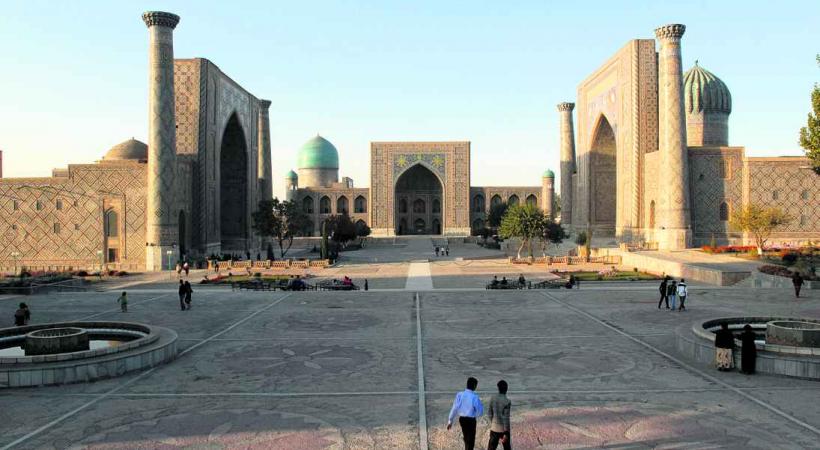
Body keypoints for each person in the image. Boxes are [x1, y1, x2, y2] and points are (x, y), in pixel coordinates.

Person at [447, 377, 483, 450]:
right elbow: (480, 411)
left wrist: (450, 420)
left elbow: (454, 408)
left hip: (462, 420)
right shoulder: (475, 397)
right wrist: (474, 415)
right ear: (474, 386)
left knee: (466, 438)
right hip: (471, 421)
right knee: (471, 441)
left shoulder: (460, 395)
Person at [487, 380, 512, 450]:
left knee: (491, 448)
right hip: (503, 429)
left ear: (498, 388)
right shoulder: (507, 401)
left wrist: (493, 423)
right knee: (507, 448)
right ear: (506, 389)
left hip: (494, 428)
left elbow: (489, 413)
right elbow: (506, 419)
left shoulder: (493, 398)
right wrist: (506, 433)